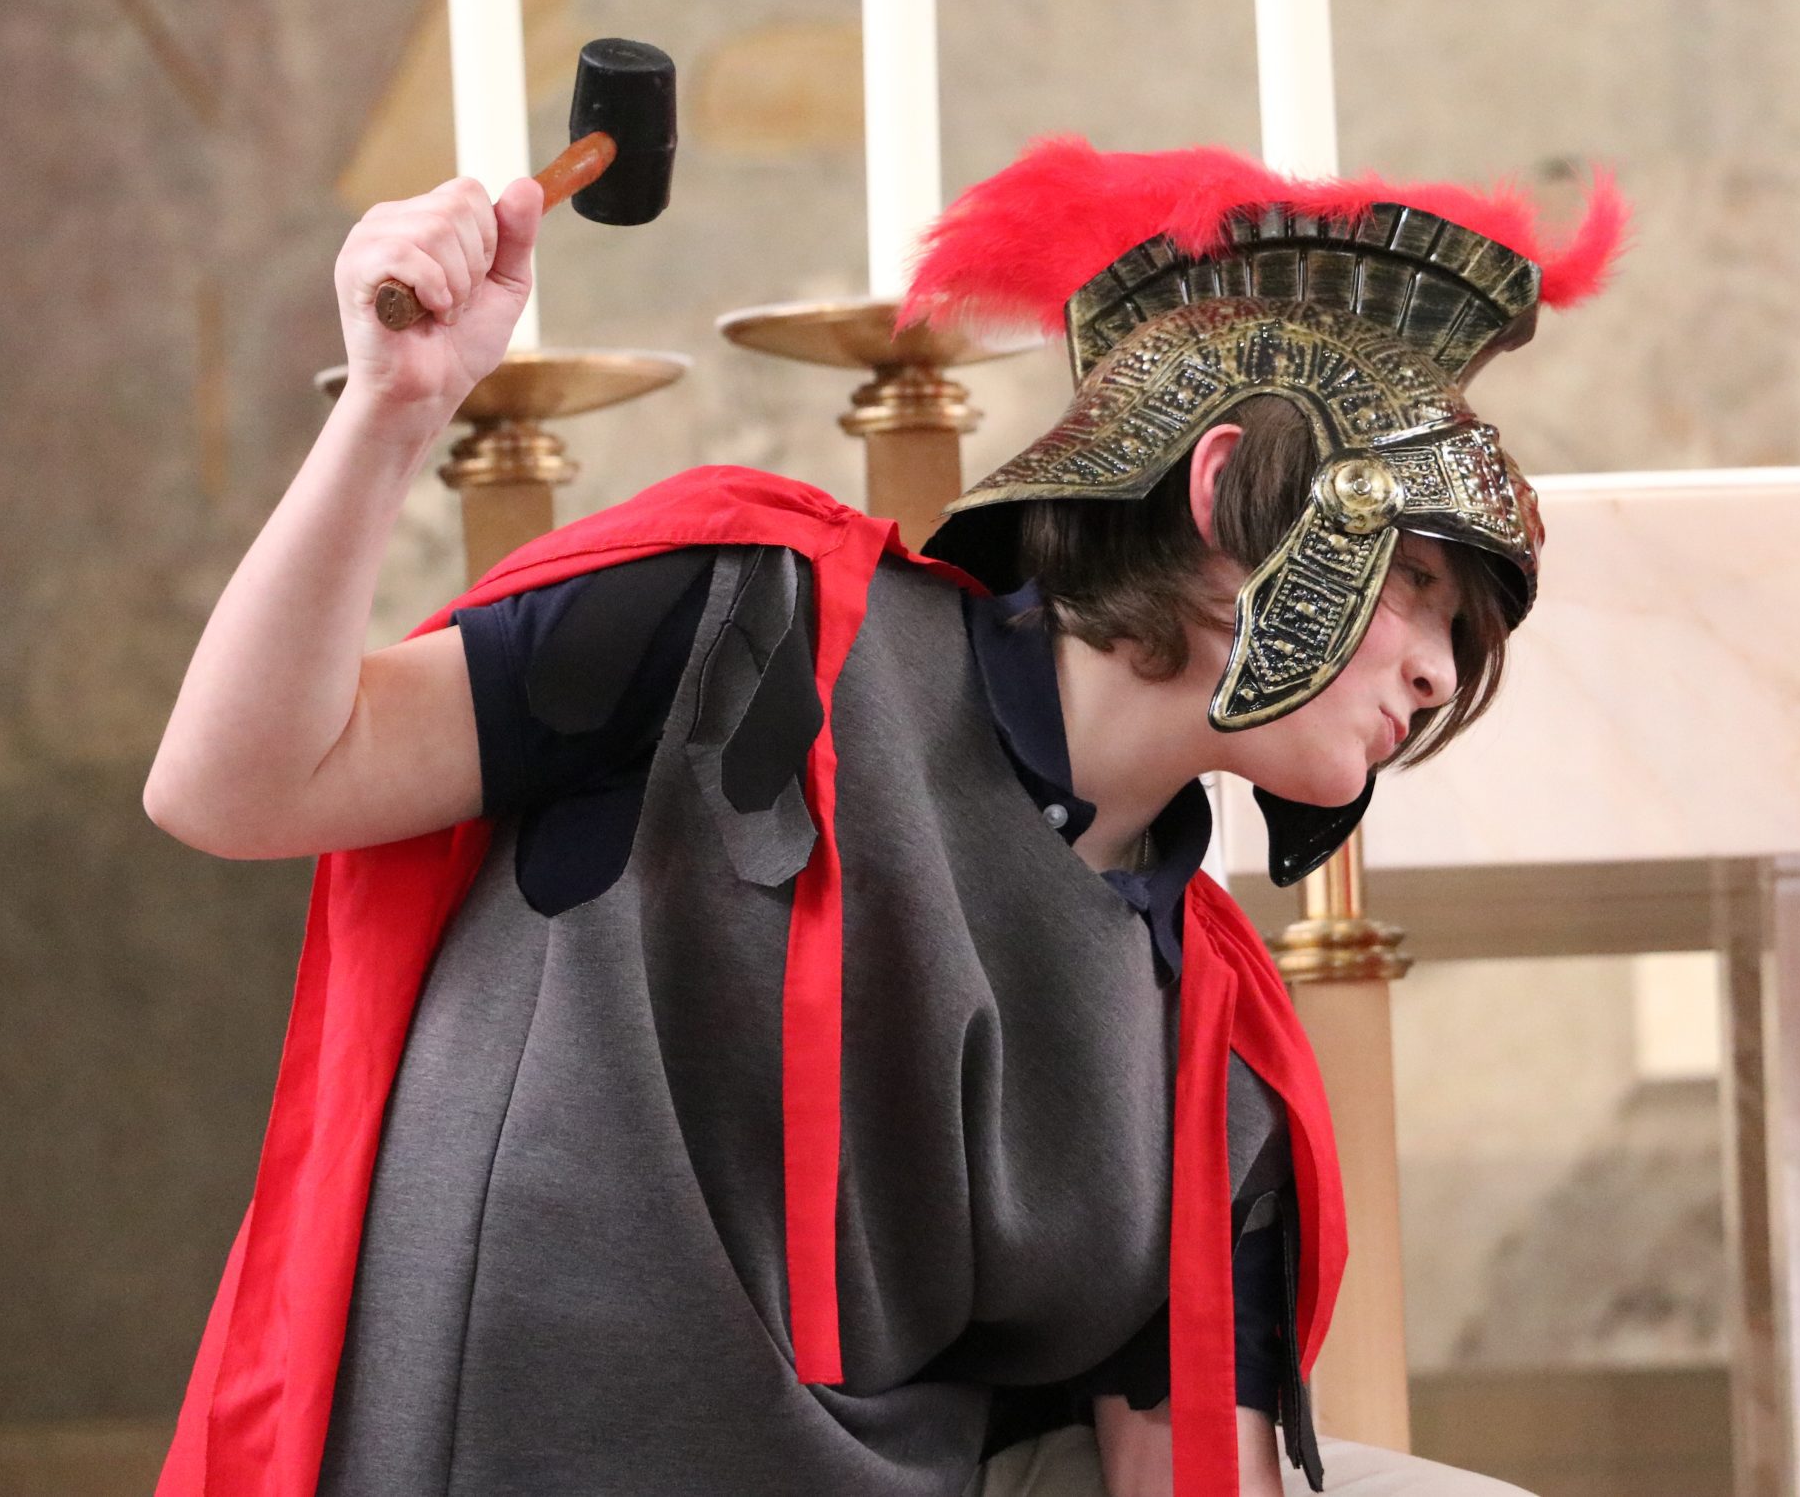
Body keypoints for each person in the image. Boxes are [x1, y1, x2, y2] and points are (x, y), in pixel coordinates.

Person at [142, 137, 1622, 1497]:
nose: (1438, 672)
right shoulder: (747, 626)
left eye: (1462, 636)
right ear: (1227, 489)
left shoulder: (1219, 1053)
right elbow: (240, 784)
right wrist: (394, 414)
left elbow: (1186, 1472)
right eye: (1416, 586)